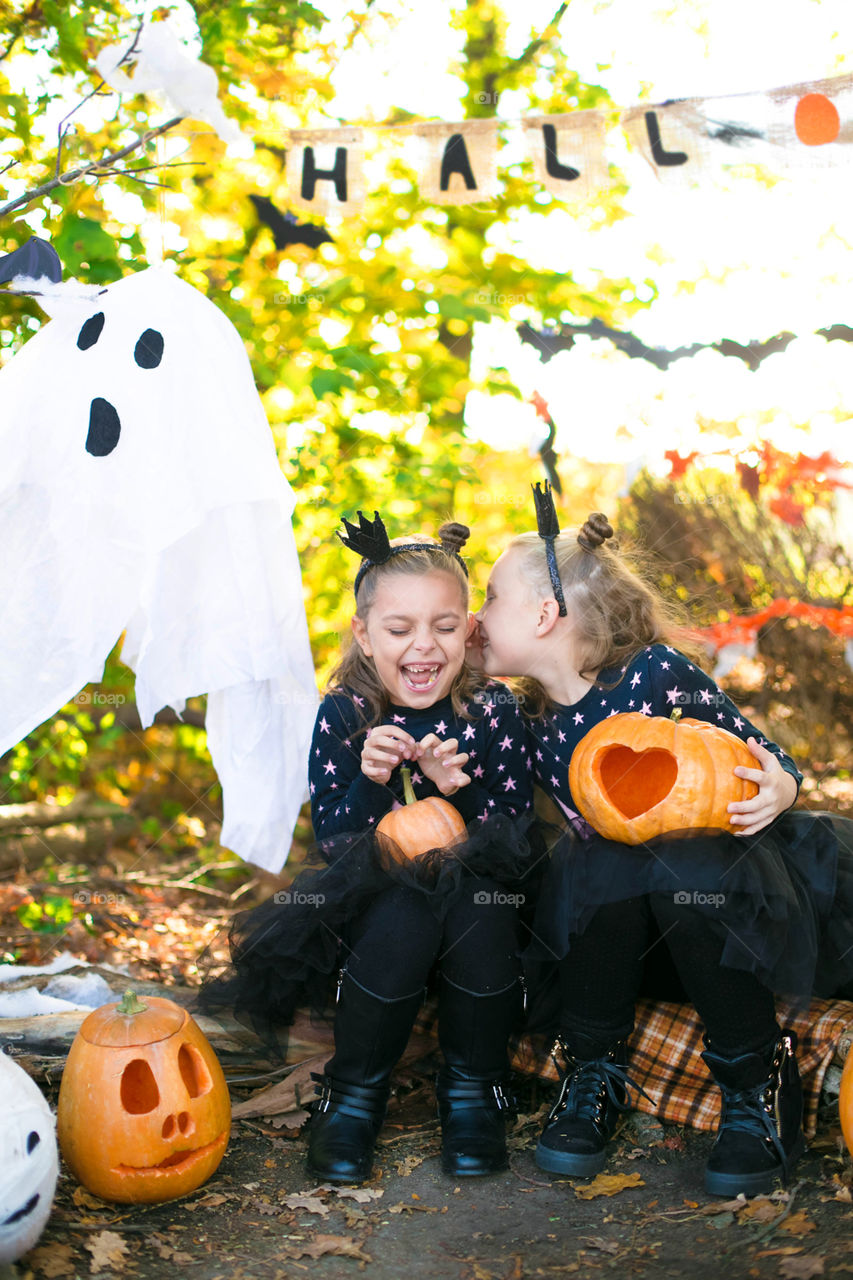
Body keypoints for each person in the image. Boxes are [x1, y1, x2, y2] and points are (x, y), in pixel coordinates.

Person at [470, 483, 853, 1198]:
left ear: (545, 615)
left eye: (489, 597)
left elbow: (759, 752)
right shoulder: (519, 717)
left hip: (723, 919)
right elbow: (497, 815)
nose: (475, 616)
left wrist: (783, 787)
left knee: (680, 856)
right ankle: (595, 1072)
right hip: (623, 941)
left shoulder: (654, 674)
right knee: (593, 858)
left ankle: (751, 1080)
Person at [204, 512, 534, 1185]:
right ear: (363, 632)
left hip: (485, 908)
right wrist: (369, 779)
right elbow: (337, 841)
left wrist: (456, 790)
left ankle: (472, 1090)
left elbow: (515, 836)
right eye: (399, 628)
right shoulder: (345, 714)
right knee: (402, 905)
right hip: (381, 914)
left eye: (445, 626)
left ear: (468, 626)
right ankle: (354, 1094)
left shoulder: (493, 709)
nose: (424, 647)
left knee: (479, 902)